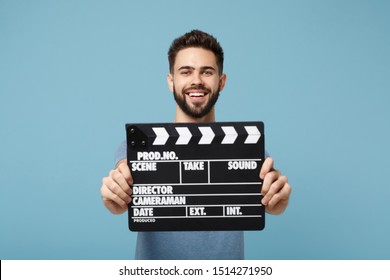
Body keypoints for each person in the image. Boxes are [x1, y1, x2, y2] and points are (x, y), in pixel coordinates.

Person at [100, 30, 292, 259]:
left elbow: (270, 198)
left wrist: (276, 201)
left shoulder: (248, 148)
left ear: (221, 82)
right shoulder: (138, 146)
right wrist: (115, 195)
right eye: (186, 71)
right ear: (171, 81)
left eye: (207, 72)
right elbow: (122, 182)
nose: (196, 80)